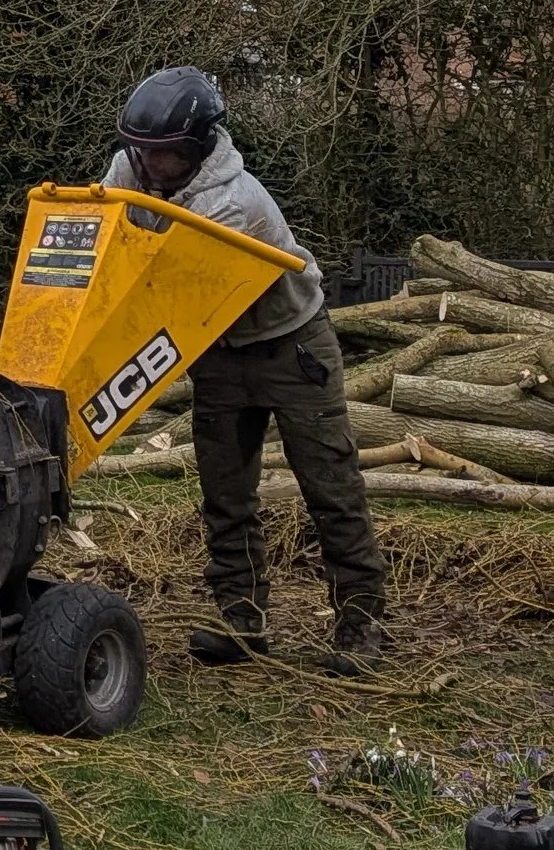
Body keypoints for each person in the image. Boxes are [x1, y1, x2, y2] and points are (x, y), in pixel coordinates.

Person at [108, 65, 387, 671]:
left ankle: (361, 625)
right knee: (225, 491)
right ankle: (242, 621)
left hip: (290, 346)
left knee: (330, 485)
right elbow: (114, 243)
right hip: (219, 351)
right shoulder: (128, 167)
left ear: (201, 145)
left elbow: (172, 289)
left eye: (170, 155)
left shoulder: (238, 203)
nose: (152, 166)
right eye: (145, 152)